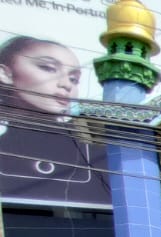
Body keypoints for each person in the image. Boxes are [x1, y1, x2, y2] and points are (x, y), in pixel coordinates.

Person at [0, 36, 108, 206]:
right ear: (5, 74)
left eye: (74, 79)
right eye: (48, 68)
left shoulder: (96, 150)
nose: (66, 85)